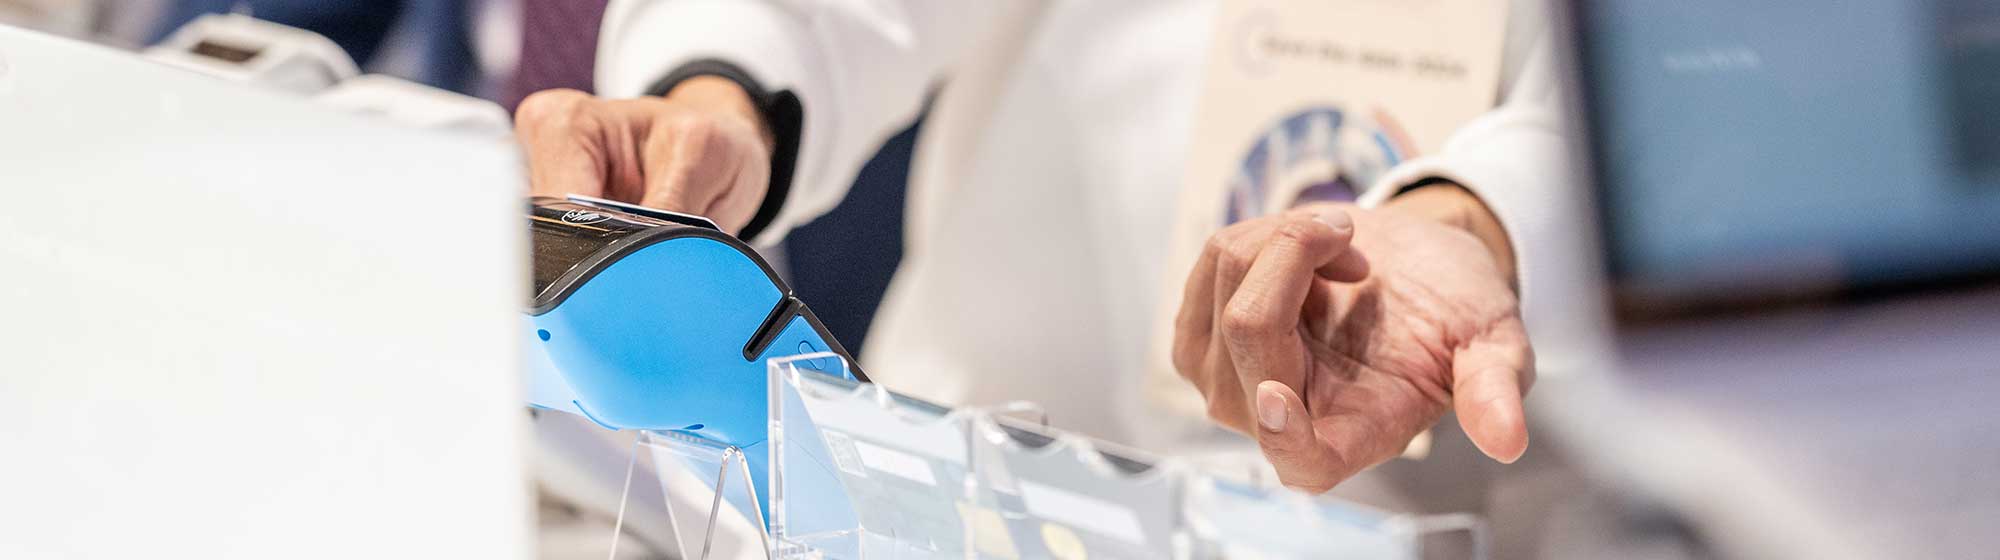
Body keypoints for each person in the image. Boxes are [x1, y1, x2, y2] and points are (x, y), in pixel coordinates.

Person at [514, 0, 1575, 495]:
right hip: (954, 466)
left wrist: (1475, 210)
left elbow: (1704, 89)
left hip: (1432, 501)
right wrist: (719, 97)